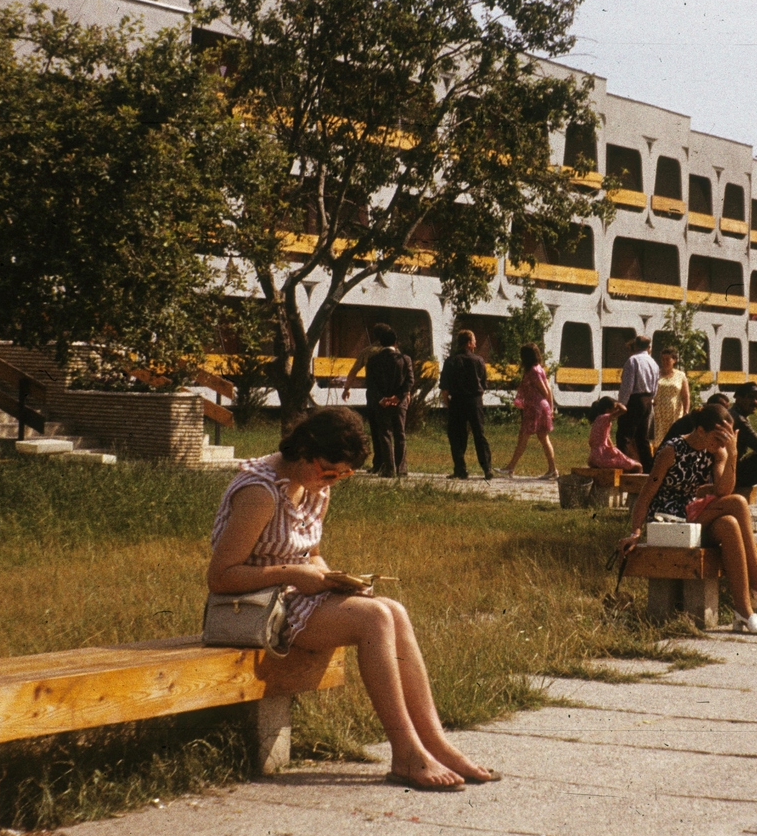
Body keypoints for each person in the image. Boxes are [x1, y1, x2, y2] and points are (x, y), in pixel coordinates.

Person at [207, 407, 495, 791]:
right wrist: (295, 574)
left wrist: (335, 580)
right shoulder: (260, 493)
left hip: (291, 598)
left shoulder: (313, 486)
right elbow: (221, 577)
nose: (334, 481)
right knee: (374, 618)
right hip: (255, 608)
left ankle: (435, 743)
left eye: (343, 475)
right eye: (329, 471)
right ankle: (406, 752)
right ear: (305, 450)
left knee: (393, 610)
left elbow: (310, 553)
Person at [619, 403, 757, 635]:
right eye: (718, 437)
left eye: (727, 439)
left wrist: (731, 453)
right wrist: (635, 532)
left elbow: (723, 490)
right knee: (739, 503)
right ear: (700, 431)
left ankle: (744, 612)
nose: (721, 443)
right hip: (668, 520)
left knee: (730, 524)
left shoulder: (718, 452)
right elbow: (646, 494)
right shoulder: (672, 450)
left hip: (692, 519)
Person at [439, 330, 492, 480]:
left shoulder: (451, 361)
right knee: (479, 434)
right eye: (474, 341)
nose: (475, 343)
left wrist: (449, 403)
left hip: (457, 400)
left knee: (456, 436)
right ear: (469, 343)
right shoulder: (479, 361)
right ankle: (487, 468)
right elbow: (483, 384)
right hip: (474, 400)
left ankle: (460, 469)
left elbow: (445, 387)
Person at [363, 324, 413, 478]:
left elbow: (370, 383)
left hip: (382, 402)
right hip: (399, 403)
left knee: (384, 433)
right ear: (395, 342)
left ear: (381, 342)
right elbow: (409, 381)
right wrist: (398, 397)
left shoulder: (373, 360)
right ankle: (401, 468)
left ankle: (389, 469)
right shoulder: (405, 359)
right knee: (400, 434)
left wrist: (381, 398)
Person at [503, 343, 558, 479]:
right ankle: (552, 469)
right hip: (541, 407)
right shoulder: (539, 368)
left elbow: (544, 390)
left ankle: (510, 467)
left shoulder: (533, 371)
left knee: (523, 437)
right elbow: (549, 389)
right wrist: (550, 408)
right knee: (543, 438)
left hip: (535, 408)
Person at [617, 335, 660, 472]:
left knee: (624, 435)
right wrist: (651, 399)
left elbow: (627, 386)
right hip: (648, 400)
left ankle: (624, 466)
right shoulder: (653, 363)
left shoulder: (633, 361)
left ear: (635, 346)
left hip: (634, 400)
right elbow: (655, 386)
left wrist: (622, 405)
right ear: (648, 347)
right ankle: (648, 469)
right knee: (643, 438)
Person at [650, 347, 691, 449]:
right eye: (663, 359)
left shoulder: (680, 375)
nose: (664, 362)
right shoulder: (656, 374)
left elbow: (686, 396)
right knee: (659, 441)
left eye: (667, 359)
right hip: (659, 412)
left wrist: (686, 412)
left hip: (675, 413)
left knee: (675, 439)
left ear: (674, 360)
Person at [588, 396, 642, 470]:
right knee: (638, 466)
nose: (616, 410)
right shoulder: (605, 417)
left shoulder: (598, 419)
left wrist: (613, 448)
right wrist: (619, 404)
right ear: (608, 410)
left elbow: (606, 437)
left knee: (624, 459)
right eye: (615, 408)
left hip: (594, 455)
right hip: (602, 456)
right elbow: (624, 410)